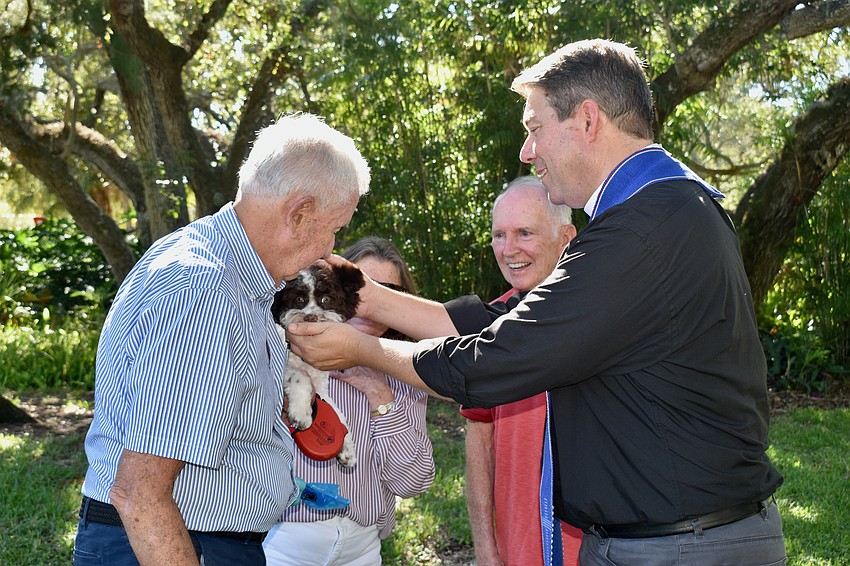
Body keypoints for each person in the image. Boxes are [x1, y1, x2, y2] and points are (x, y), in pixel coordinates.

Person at [286, 39, 787, 566]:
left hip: (679, 546)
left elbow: (501, 357)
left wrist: (361, 352)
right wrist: (356, 288)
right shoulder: (665, 212)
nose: (527, 151)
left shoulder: (642, 231)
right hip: (676, 538)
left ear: (587, 120)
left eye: (534, 127)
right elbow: (498, 321)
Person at [73, 113, 371, 566]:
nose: (330, 247)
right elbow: (140, 493)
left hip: (198, 539)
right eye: (334, 227)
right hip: (174, 543)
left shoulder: (232, 277)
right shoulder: (205, 292)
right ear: (300, 213)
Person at [263, 236, 435, 566]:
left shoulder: (406, 371)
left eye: (386, 290)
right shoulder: (281, 351)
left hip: (362, 548)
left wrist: (380, 395)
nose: (369, 300)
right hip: (282, 540)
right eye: (363, 285)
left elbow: (413, 481)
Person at [462, 176, 581, 566]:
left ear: (566, 237)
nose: (508, 249)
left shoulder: (604, 317)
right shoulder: (488, 327)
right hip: (519, 546)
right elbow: (479, 445)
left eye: (524, 232)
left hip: (601, 545)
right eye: (499, 234)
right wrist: (486, 548)